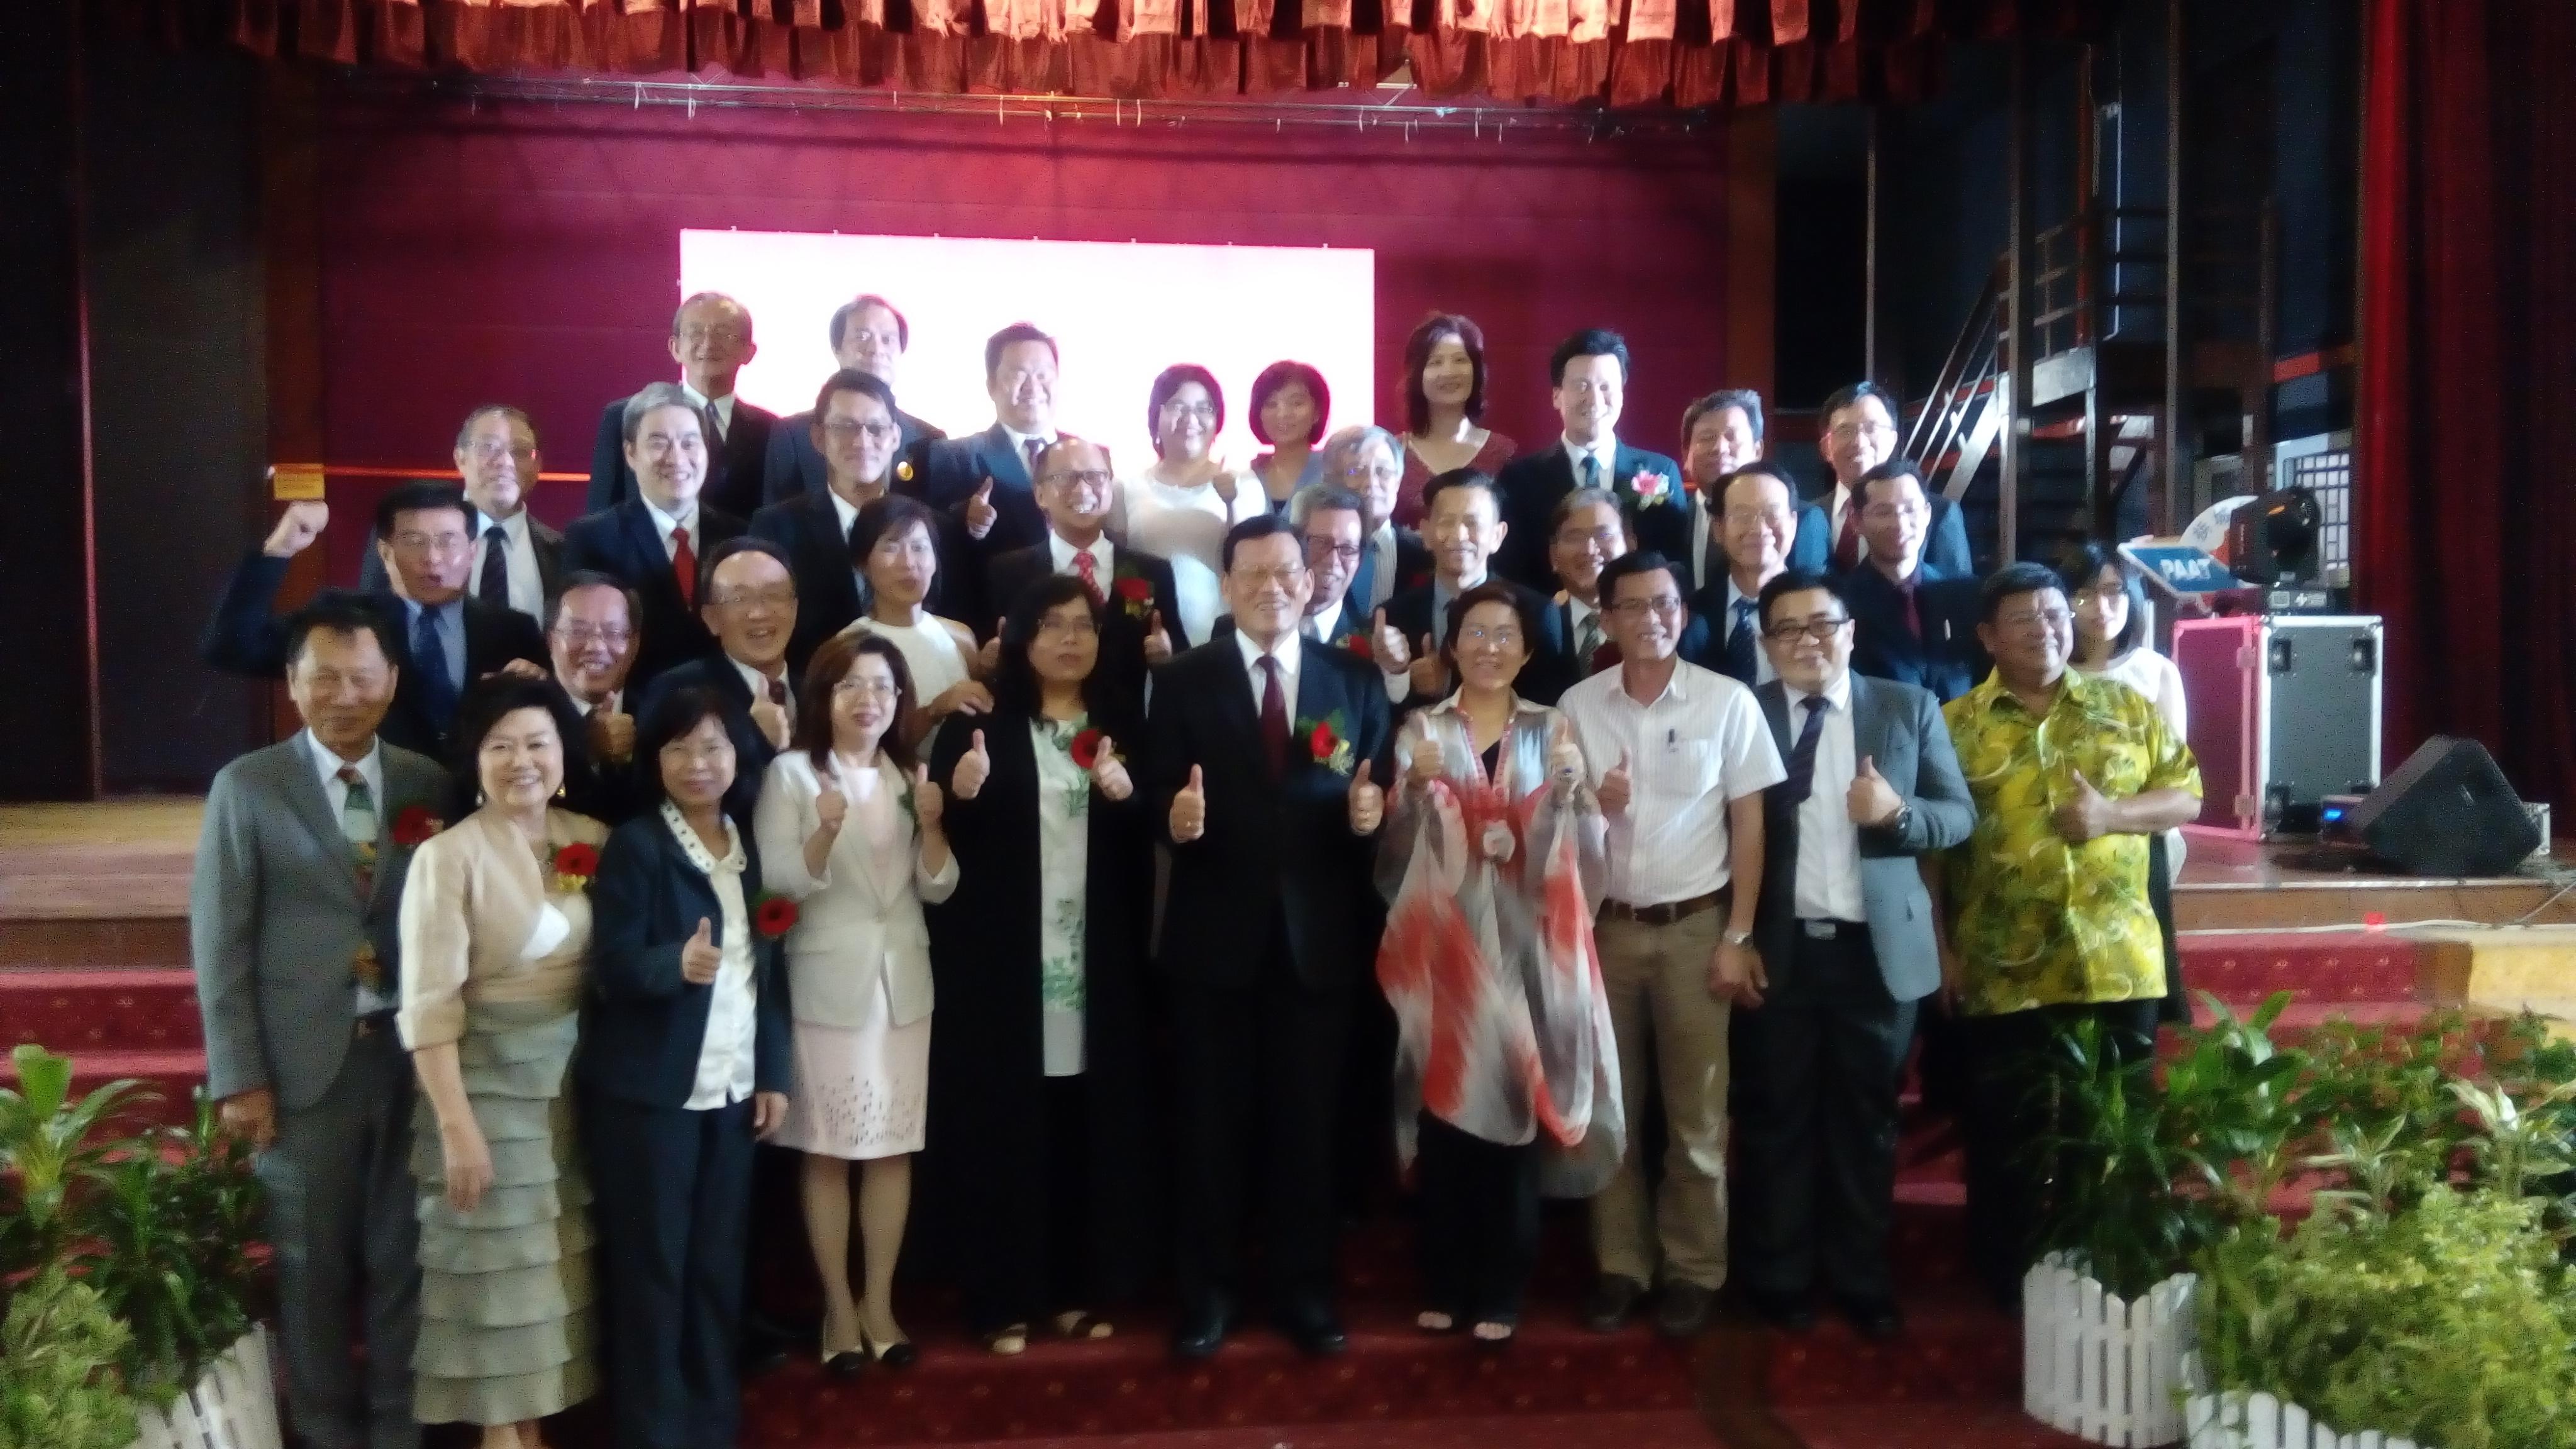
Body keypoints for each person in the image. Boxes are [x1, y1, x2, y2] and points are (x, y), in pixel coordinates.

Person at [190, 593, 449, 1449]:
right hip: (302, 1073)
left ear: (391, 681)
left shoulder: (426, 782)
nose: (345, 695)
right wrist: (241, 1078)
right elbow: (220, 941)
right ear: (294, 687)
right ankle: (329, 1434)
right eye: (324, 678)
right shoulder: (249, 786)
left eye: (362, 677)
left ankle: (398, 1431)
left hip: (409, 1063)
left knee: (404, 1265)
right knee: (311, 1272)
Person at [1147, 515, 1393, 1362]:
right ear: (1226, 584)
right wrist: (1172, 821)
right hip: (1213, 940)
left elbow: (1377, 794)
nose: (1272, 587)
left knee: (1307, 1129)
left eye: (1287, 571)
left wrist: (1372, 816)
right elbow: (1154, 799)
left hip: (1319, 943)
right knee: (1209, 1129)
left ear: (1311, 577)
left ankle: (1304, 1295)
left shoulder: (1354, 681)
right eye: (1252, 574)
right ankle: (1206, 1296)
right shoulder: (1183, 681)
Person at [1936, 562, 2202, 1307]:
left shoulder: (2124, 706)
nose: (2047, 628)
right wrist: (1941, 947)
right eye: (2024, 618)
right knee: (2005, 1137)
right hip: (2003, 957)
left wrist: (2113, 816)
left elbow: (2186, 793)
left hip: (2117, 959)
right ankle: (2006, 1285)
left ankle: (2108, 1273)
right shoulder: (1953, 725)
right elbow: (1933, 854)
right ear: (1989, 637)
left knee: (2112, 1130)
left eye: (2056, 613)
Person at [1374, 582, 1621, 1346]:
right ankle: (1444, 1279)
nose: (1489, 647)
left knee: (1514, 1121)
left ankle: (1502, 1288)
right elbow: (1390, 857)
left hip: (1526, 952)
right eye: (1474, 633)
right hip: (1443, 953)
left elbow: (1586, 854)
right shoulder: (1423, 728)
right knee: (1446, 1117)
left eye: (1504, 634)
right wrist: (1412, 794)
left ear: (1527, 647)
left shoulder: (1556, 729)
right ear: (1451, 646)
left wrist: (1573, 806)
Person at [1738, 570, 1974, 1341]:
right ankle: (1778, 1279)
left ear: (1849, 630)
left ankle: (1862, 1278)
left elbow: (1957, 818)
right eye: (1787, 630)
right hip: (1780, 953)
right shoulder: (1747, 715)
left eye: (1821, 625)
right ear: (1765, 643)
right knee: (1777, 1123)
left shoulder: (1906, 709)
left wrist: (1897, 814)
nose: (1807, 641)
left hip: (1877, 958)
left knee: (1866, 1125)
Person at [926, 579, 1160, 1355]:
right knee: (1007, 1127)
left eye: (1083, 625)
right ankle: (1002, 1297)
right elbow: (943, 842)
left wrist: (1129, 798)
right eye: (1051, 625)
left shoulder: (1121, 722)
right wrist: (959, 798)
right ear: (1020, 637)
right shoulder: (980, 726)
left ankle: (1073, 1289)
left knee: (1080, 1123)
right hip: (1003, 969)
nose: (1070, 639)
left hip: (1097, 965)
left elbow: (1151, 836)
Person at [1555, 550, 1784, 1340]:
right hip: (1604, 931)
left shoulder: (1728, 702)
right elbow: (1552, 813)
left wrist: (1738, 934)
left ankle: (1694, 1270)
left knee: (1696, 1117)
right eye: (1632, 607)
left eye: (1664, 604)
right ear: (1607, 618)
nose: (1650, 619)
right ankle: (1621, 1265)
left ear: (1681, 612)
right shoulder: (1577, 706)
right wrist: (1590, 797)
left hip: (1696, 931)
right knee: (1610, 1115)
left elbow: (1750, 824)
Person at [396, 677, 608, 1446]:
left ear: (563, 753)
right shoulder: (447, 858)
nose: (522, 761)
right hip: (483, 1094)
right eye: (501, 746)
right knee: (494, 1297)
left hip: (572, 1096)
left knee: (547, 1295)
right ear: (474, 759)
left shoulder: (591, 836)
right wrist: (456, 1126)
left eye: (537, 743)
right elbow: (428, 1006)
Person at [581, 687, 794, 1449]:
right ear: (655, 759)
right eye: (679, 748)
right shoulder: (639, 845)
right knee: (655, 1271)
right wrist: (673, 964)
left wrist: (774, 1073)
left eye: (713, 747)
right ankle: (654, 1431)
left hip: (733, 1092)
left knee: (715, 1266)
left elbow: (766, 974)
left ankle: (712, 1423)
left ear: (739, 756)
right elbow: (610, 968)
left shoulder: (746, 843)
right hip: (652, 1096)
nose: (697, 764)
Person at [751, 633, 957, 1375]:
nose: (868, 699)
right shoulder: (791, 776)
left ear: (899, 701)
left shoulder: (909, 774)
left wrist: (932, 824)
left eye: (882, 687)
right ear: (824, 698)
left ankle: (880, 1304)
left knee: (894, 1147)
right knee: (830, 1150)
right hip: (825, 982)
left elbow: (938, 886)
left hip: (902, 982)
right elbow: (777, 883)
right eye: (851, 687)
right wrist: (824, 831)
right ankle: (837, 1309)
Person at [201, 485, 548, 760]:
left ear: (472, 550)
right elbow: (232, 646)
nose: (433, 558)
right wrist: (281, 547)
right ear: (385, 553)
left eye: (448, 541)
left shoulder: (513, 630)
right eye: (414, 542)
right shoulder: (343, 617)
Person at [562, 382, 750, 695]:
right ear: (631, 453)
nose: (676, 458)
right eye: (659, 443)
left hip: (729, 719)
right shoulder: (591, 539)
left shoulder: (740, 537)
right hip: (631, 724)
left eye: (690, 443)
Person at [985, 436, 1180, 717]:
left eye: (1095, 476)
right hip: (1035, 733)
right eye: (1065, 477)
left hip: (1128, 736)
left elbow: (1180, 656)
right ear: (1040, 494)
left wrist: (1167, 657)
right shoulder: (1009, 572)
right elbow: (990, 659)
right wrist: (988, 662)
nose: (1083, 488)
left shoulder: (1149, 571)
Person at [1493, 330, 1684, 589]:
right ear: (1557, 396)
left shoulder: (1660, 471)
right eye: (1582, 386)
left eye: (1606, 387)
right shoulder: (1520, 479)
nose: (1594, 400)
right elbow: (1513, 571)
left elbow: (1674, 563)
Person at [900, 322, 1062, 624]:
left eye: (1043, 374)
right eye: (1018, 374)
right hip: (994, 626)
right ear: (991, 385)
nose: (1032, 386)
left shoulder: (1090, 458)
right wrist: (966, 517)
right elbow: (935, 540)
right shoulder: (954, 456)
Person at [1369, 469, 1564, 709]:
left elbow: (1545, 705)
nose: (1459, 536)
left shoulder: (1537, 613)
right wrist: (1400, 677)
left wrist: (1450, 685)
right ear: (1427, 533)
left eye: (1473, 524)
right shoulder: (1392, 617)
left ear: (1497, 535)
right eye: (1447, 522)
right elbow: (1377, 715)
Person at [750, 370, 904, 673]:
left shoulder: (930, 528)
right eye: (846, 427)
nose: (862, 441)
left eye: (876, 428)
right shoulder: (776, 527)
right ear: (818, 438)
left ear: (895, 437)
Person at [358, 406, 564, 619]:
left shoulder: (562, 551)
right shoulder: (402, 534)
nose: (505, 462)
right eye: (489, 447)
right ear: (460, 458)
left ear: (537, 465)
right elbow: (370, 621)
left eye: (520, 451)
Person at [1114, 364, 1266, 648]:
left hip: (1224, 635)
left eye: (1204, 408)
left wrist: (1231, 503)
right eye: (1177, 407)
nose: (1191, 418)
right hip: (1149, 638)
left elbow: (1254, 560)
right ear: (1155, 417)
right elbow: (1122, 568)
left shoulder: (1243, 483)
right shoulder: (1126, 487)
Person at [589, 292, 777, 520]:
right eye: (696, 332)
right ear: (675, 347)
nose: (708, 343)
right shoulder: (625, 416)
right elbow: (600, 516)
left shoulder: (771, 430)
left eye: (723, 333)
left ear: (749, 351)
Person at [638, 537, 803, 785]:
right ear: (711, 618)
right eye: (739, 599)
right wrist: (756, 738)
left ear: (795, 608)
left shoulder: (819, 689)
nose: (759, 612)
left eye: (774, 595)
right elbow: (653, 791)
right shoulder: (676, 691)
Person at [835, 496, 991, 745]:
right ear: (863, 563)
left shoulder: (960, 637)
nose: (909, 563)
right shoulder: (849, 645)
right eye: (891, 547)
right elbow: (859, 745)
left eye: (919, 547)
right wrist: (934, 710)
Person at [762, 296, 946, 504]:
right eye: (862, 336)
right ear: (836, 349)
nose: (876, 349)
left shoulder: (929, 439)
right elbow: (772, 525)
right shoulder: (793, 435)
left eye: (888, 339)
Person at [1845, 460, 1987, 704]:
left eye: (1910, 509)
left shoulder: (1967, 592)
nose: (1899, 524)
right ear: (1856, 522)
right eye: (1883, 512)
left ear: (1927, 514)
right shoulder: (1842, 600)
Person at [1674, 391, 1826, 592]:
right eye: (1707, 438)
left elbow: (1810, 598)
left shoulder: (1805, 519)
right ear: (1686, 455)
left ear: (1757, 450)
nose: (1720, 448)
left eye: (1732, 437)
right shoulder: (1674, 518)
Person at [1816, 382, 1969, 576]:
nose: (1859, 442)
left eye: (1871, 428)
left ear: (1892, 441)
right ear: (1826, 449)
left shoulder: (1941, 514)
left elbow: (1958, 594)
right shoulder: (1807, 517)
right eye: (1846, 431)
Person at [1392, 314, 1516, 528]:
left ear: (1476, 371)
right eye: (1435, 362)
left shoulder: (1503, 453)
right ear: (1417, 375)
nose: (1448, 372)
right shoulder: (1393, 452)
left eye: (1460, 360)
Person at [545, 572, 646, 825]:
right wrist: (589, 748)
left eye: (613, 633)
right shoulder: (526, 717)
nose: (596, 647)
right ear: (551, 640)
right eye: (578, 632)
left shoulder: (659, 713)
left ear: (633, 644)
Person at [1694, 461, 1807, 689]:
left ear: (1793, 524)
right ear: (1718, 529)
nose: (1759, 529)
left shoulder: (1821, 611)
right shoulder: (1691, 613)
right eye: (1742, 516)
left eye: (1771, 514)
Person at [1319, 425, 1429, 616]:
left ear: (1397, 483)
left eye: (1383, 471)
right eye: (1355, 471)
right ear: (1330, 483)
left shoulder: (1425, 556)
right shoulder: (1311, 552)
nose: (1371, 482)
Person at [1284, 484, 1370, 650]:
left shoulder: (1370, 645)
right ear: (1293, 542)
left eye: (1348, 549)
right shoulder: (1256, 624)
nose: (1333, 560)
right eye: (1321, 543)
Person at [1248, 360, 1331, 509]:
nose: (1283, 414)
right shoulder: (1249, 477)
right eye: (1271, 404)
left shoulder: (1334, 472)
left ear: (1317, 412)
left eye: (1296, 403)